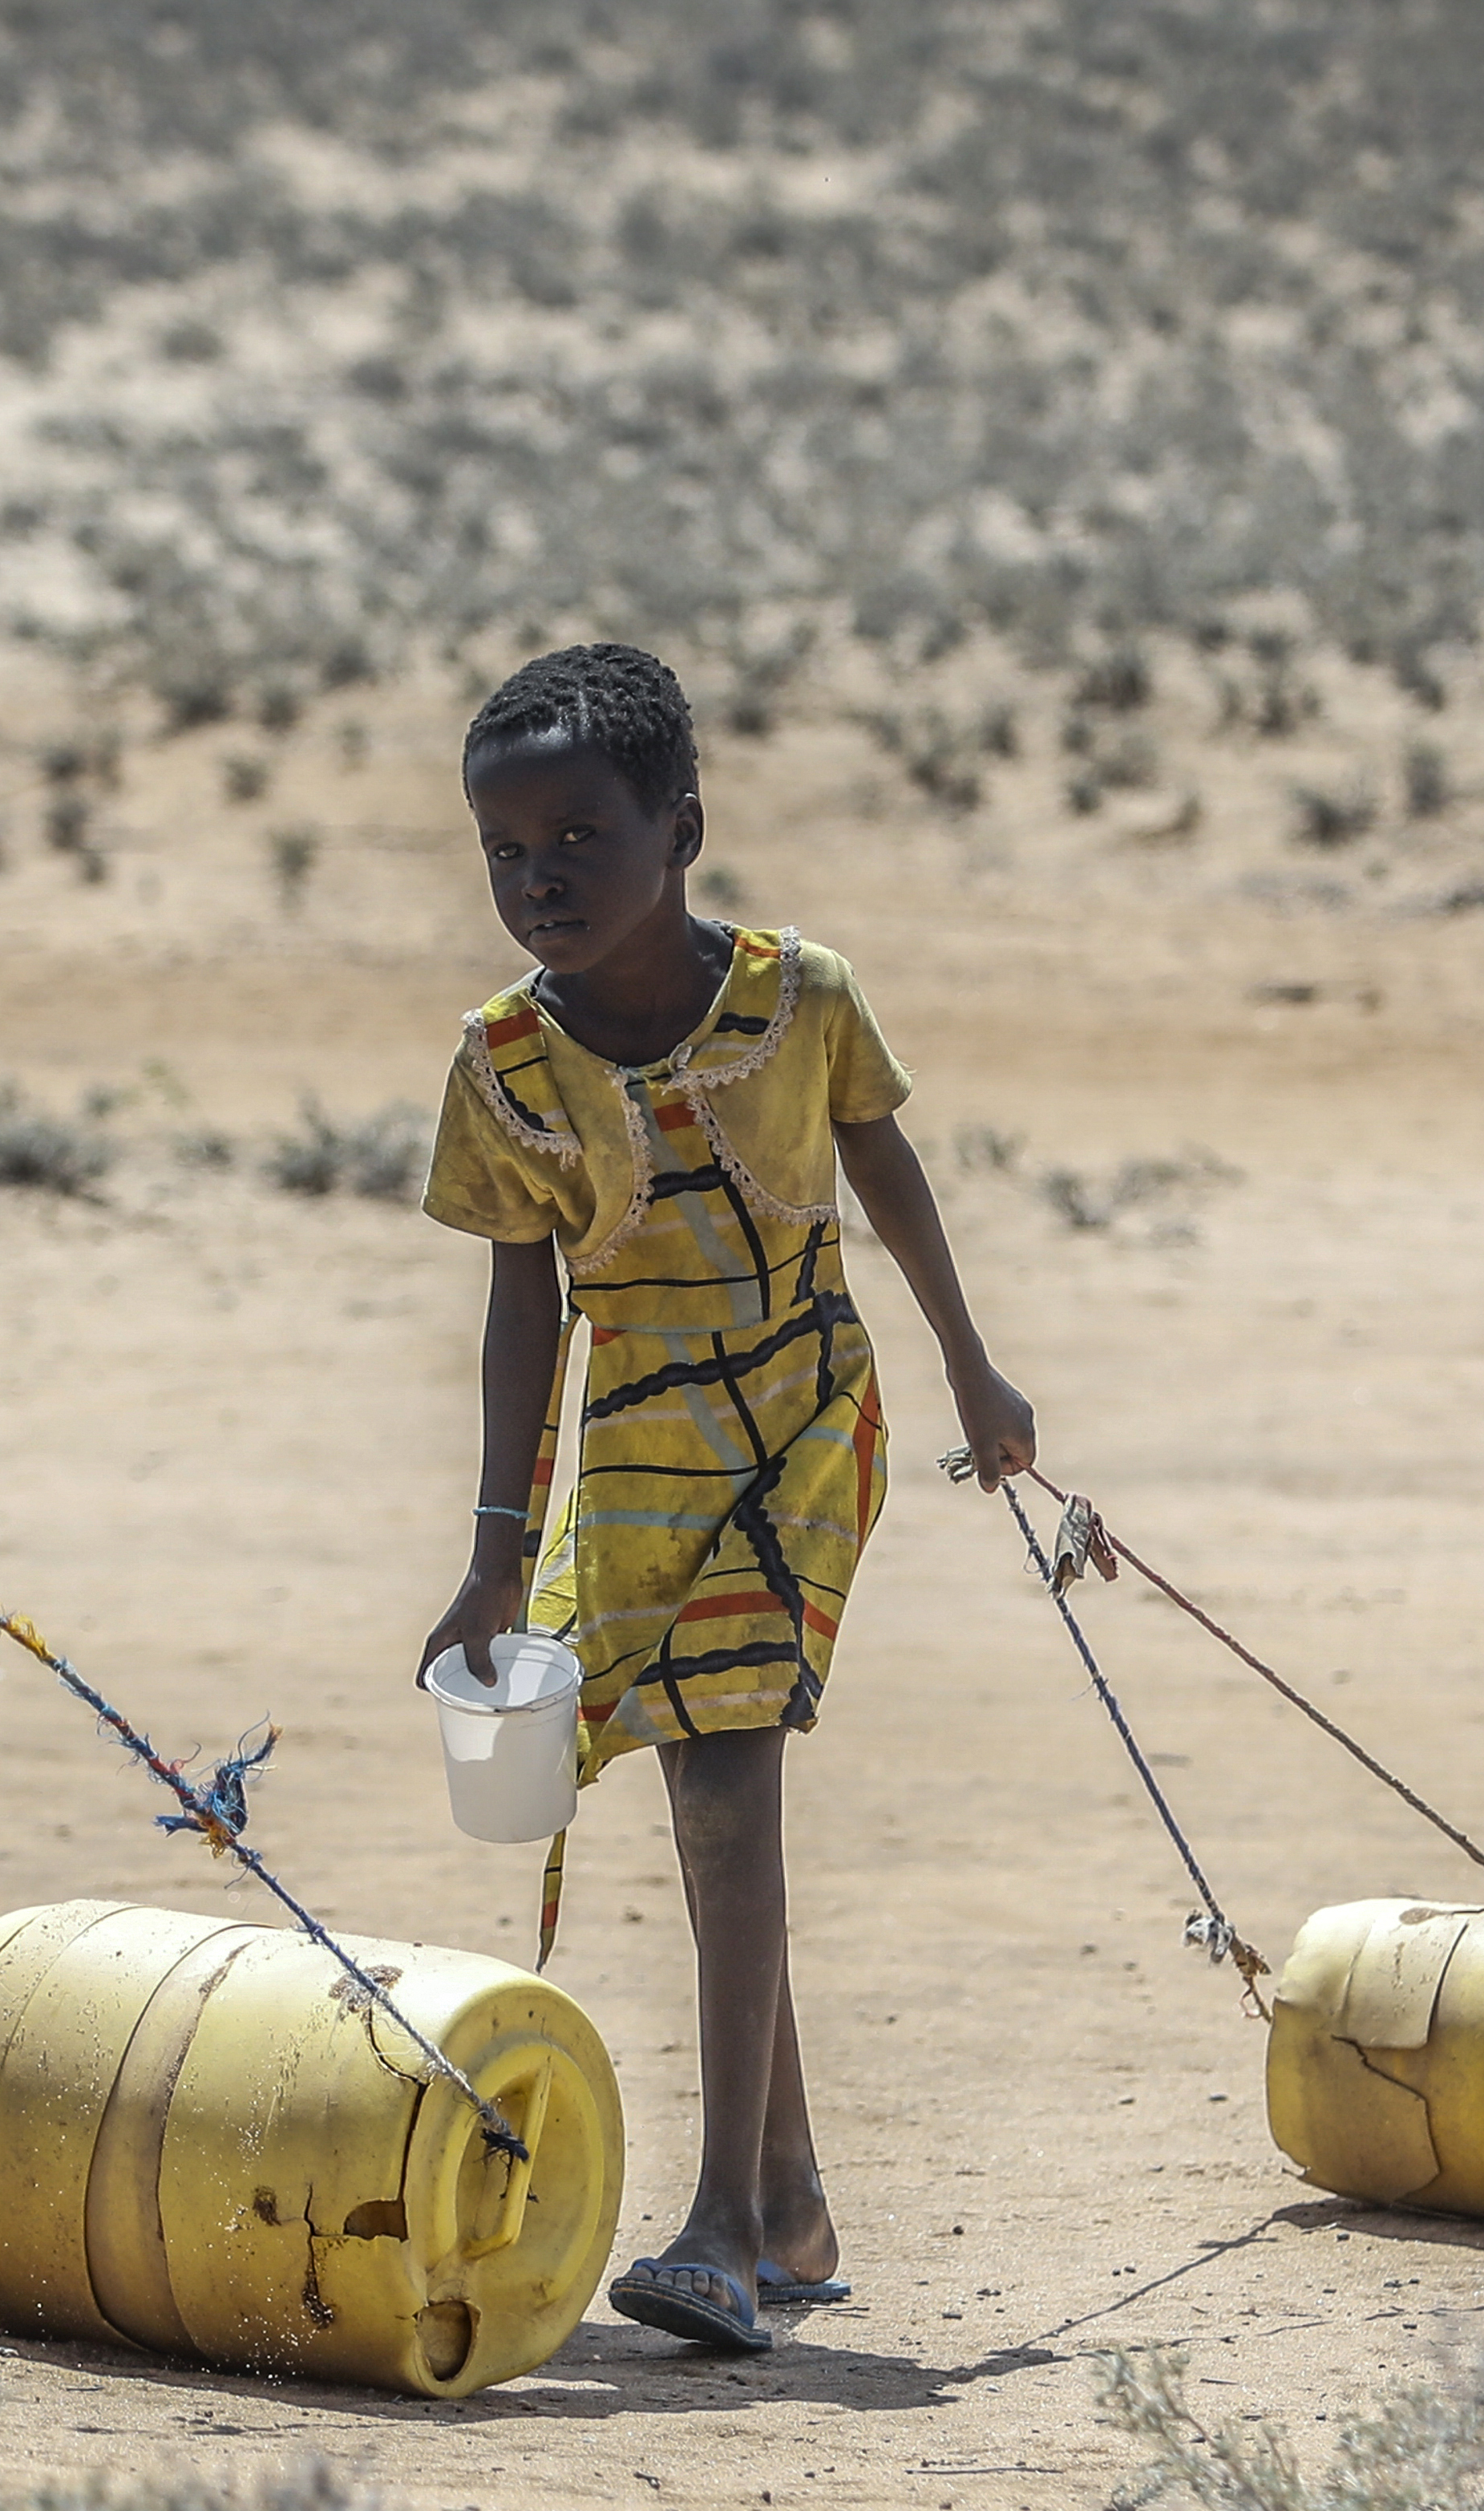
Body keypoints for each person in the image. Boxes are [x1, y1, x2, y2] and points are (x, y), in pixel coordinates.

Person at [415, 642, 1037, 2357]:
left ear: (680, 828)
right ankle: (789, 2197)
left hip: (796, 1407)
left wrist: (975, 1371)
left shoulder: (800, 995)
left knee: (725, 1778)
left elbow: (883, 1165)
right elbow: (520, 1306)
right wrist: (491, 1553)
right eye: (506, 853)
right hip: (632, 1438)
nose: (538, 880)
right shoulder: (500, 1063)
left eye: (577, 840)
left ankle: (720, 2231)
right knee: (697, 1801)